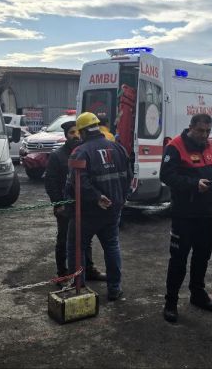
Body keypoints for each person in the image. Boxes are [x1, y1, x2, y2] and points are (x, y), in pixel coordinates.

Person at [64, 112, 130, 301]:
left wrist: (96, 197)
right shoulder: (118, 148)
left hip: (86, 212)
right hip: (112, 211)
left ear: (83, 132)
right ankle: (115, 289)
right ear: (98, 127)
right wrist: (121, 198)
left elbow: (76, 183)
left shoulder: (80, 152)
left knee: (76, 248)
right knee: (111, 247)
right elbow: (128, 176)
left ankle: (79, 288)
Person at [160, 113, 212, 323]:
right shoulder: (175, 146)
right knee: (178, 259)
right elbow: (166, 176)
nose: (205, 135)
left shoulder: (209, 146)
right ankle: (171, 302)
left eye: (208, 131)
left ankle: (198, 294)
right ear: (191, 127)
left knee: (202, 256)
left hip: (206, 215)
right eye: (201, 131)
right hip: (184, 215)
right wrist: (193, 184)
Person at [44, 121, 106, 283]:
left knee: (86, 240)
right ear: (66, 135)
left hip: (85, 206)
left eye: (78, 132)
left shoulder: (85, 152)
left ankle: (88, 269)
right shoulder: (57, 156)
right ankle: (63, 273)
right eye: (72, 132)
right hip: (66, 206)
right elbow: (50, 182)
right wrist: (58, 203)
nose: (76, 135)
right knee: (63, 239)